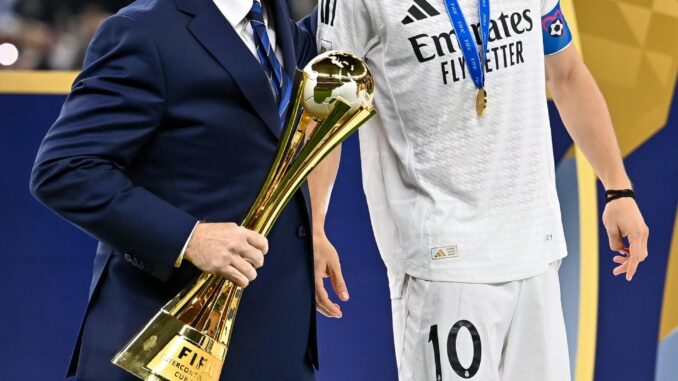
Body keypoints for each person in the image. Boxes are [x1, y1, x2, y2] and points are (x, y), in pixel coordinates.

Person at [314, 0, 650, 380]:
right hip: (443, 264)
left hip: (534, 252)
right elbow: (327, 109)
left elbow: (567, 74)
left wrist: (618, 188)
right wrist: (315, 224)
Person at [29, 0, 329, 379]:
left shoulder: (290, 30)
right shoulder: (144, 30)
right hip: (164, 340)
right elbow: (65, 169)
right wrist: (189, 238)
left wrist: (312, 229)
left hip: (274, 340)